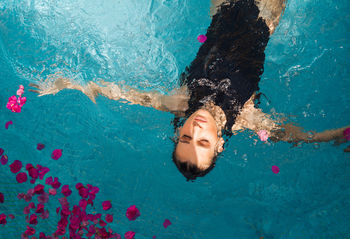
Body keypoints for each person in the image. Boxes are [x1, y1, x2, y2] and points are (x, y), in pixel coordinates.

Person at [30, 0, 349, 180]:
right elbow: (293, 135)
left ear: (178, 132)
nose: (195, 130)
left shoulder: (178, 102)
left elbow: (123, 93)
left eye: (185, 137)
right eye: (203, 142)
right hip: (263, 17)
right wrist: (337, 135)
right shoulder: (245, 119)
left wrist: (67, 83)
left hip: (223, 10)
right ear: (220, 144)